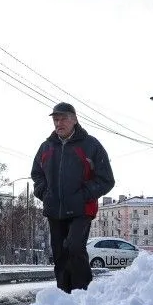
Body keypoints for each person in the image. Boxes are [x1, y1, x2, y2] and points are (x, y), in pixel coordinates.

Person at [31, 102, 115, 293]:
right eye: (55, 119)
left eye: (63, 118)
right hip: (55, 209)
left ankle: (83, 294)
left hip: (81, 209)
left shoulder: (91, 145)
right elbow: (37, 174)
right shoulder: (46, 147)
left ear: (74, 119)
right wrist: (44, 193)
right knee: (60, 253)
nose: (59, 123)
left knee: (75, 247)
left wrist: (84, 195)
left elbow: (106, 179)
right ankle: (63, 296)